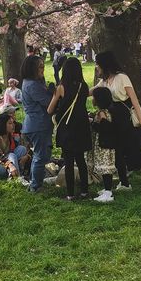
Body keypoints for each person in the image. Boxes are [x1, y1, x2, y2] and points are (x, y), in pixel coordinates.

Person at [93, 50, 141, 197]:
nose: (97, 67)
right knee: (118, 153)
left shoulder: (121, 77)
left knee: (135, 150)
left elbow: (134, 99)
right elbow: (91, 92)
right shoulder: (103, 81)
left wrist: (140, 117)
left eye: (98, 65)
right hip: (112, 119)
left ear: (105, 64)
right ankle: (124, 182)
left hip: (125, 118)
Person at [47, 57, 91, 201]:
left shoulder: (61, 87)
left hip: (67, 127)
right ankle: (85, 191)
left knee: (69, 161)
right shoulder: (83, 86)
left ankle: (70, 194)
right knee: (81, 161)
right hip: (82, 126)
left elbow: (49, 109)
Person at [90, 86, 133, 203]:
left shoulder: (103, 113)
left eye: (93, 97)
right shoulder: (108, 111)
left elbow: (106, 128)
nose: (92, 99)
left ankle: (108, 193)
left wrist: (94, 124)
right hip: (107, 143)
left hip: (105, 145)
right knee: (108, 167)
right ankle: (110, 188)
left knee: (106, 169)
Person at [20, 54, 53, 192]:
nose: (42, 70)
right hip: (38, 124)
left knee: (40, 155)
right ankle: (35, 186)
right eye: (40, 67)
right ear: (32, 68)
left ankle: (35, 183)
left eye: (43, 67)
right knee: (41, 157)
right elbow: (48, 102)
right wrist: (54, 93)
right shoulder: (32, 85)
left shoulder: (33, 82)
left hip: (36, 124)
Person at [0, 112, 28, 180]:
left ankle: (17, 173)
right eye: (10, 123)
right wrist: (10, 165)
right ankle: (17, 179)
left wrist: (27, 156)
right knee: (12, 155)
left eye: (13, 123)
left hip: (7, 159)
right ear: (2, 125)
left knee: (22, 149)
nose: (13, 125)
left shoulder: (8, 135)